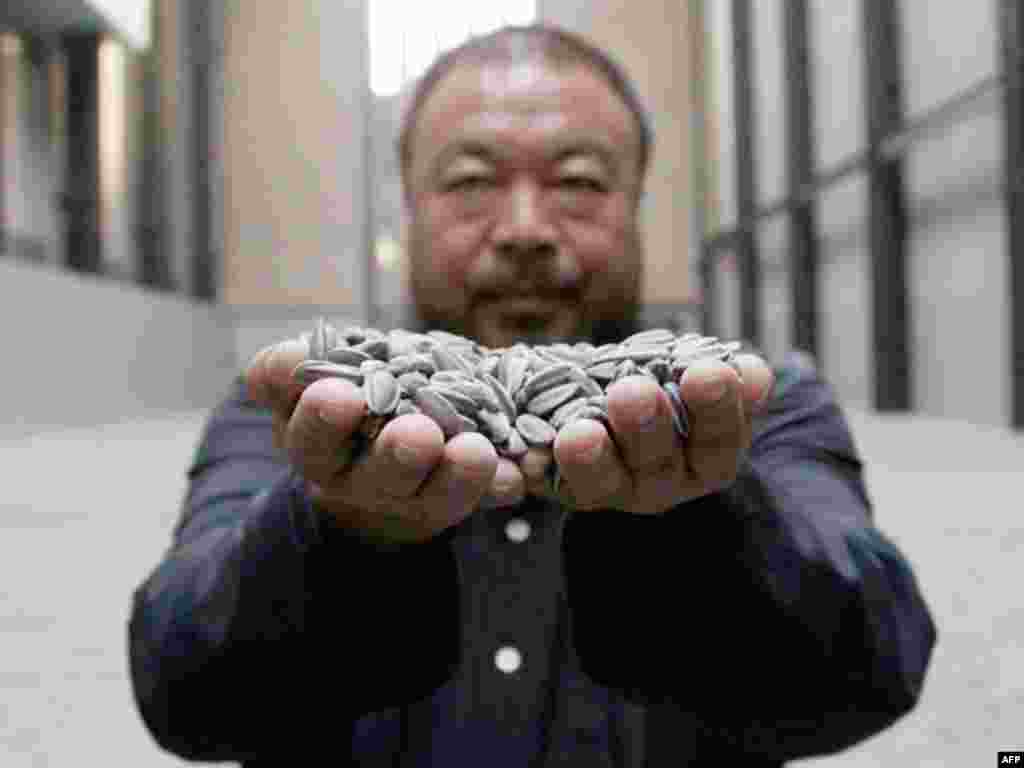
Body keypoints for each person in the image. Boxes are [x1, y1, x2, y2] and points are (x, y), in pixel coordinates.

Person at [128, 23, 936, 767]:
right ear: (409, 210)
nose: (524, 229)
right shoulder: (299, 408)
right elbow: (182, 692)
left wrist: (699, 519)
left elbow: (877, 665)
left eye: (577, 181)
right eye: (471, 181)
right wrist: (341, 536)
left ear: (636, 208)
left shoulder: (757, 400)